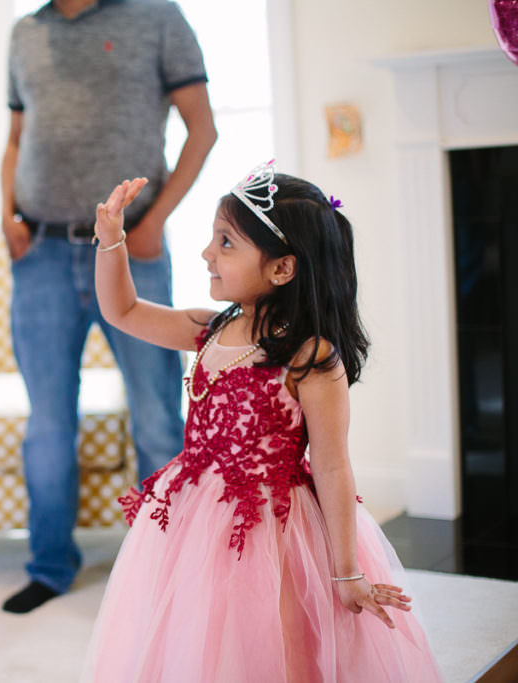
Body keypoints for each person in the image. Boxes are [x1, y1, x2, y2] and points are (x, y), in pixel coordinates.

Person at [80, 169, 442, 681]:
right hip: (195, 515)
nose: (207, 253)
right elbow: (123, 311)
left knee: (275, 641)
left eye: (226, 242)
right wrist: (112, 239)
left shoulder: (309, 358)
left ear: (282, 268)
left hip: (274, 526)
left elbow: (333, 467)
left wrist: (346, 572)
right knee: (201, 636)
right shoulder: (211, 329)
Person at [0, 0, 217, 613]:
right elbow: (15, 138)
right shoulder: (25, 32)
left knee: (156, 416)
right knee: (47, 423)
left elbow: (203, 129)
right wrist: (6, 214)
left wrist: (156, 220)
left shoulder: (157, 16)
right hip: (41, 251)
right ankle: (49, 567)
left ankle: (167, 567)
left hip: (132, 250)